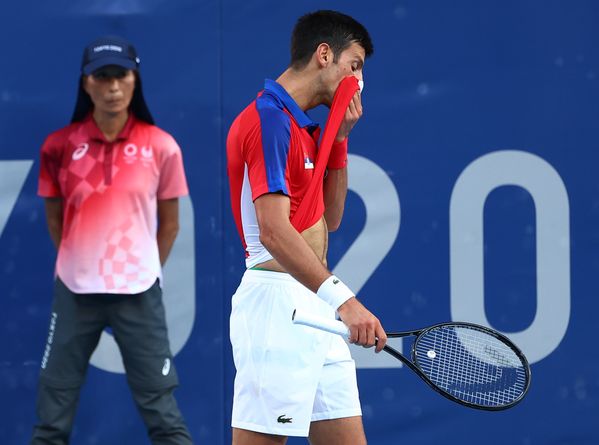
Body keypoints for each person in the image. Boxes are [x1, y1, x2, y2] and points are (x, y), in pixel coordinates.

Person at [226, 10, 386, 445]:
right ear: (323, 55)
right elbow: (275, 234)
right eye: (354, 67)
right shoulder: (268, 119)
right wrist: (346, 301)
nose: (359, 82)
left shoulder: (303, 127)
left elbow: (329, 219)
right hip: (277, 307)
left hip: (316, 306)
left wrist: (339, 139)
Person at [32, 36, 193, 445]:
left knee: (163, 414)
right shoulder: (58, 147)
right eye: (101, 77)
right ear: (86, 84)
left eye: (120, 75)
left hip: (139, 293)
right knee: (52, 415)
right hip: (74, 291)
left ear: (134, 79)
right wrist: (79, 262)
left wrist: (143, 268)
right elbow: (55, 218)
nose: (112, 87)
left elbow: (170, 225)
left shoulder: (161, 146)